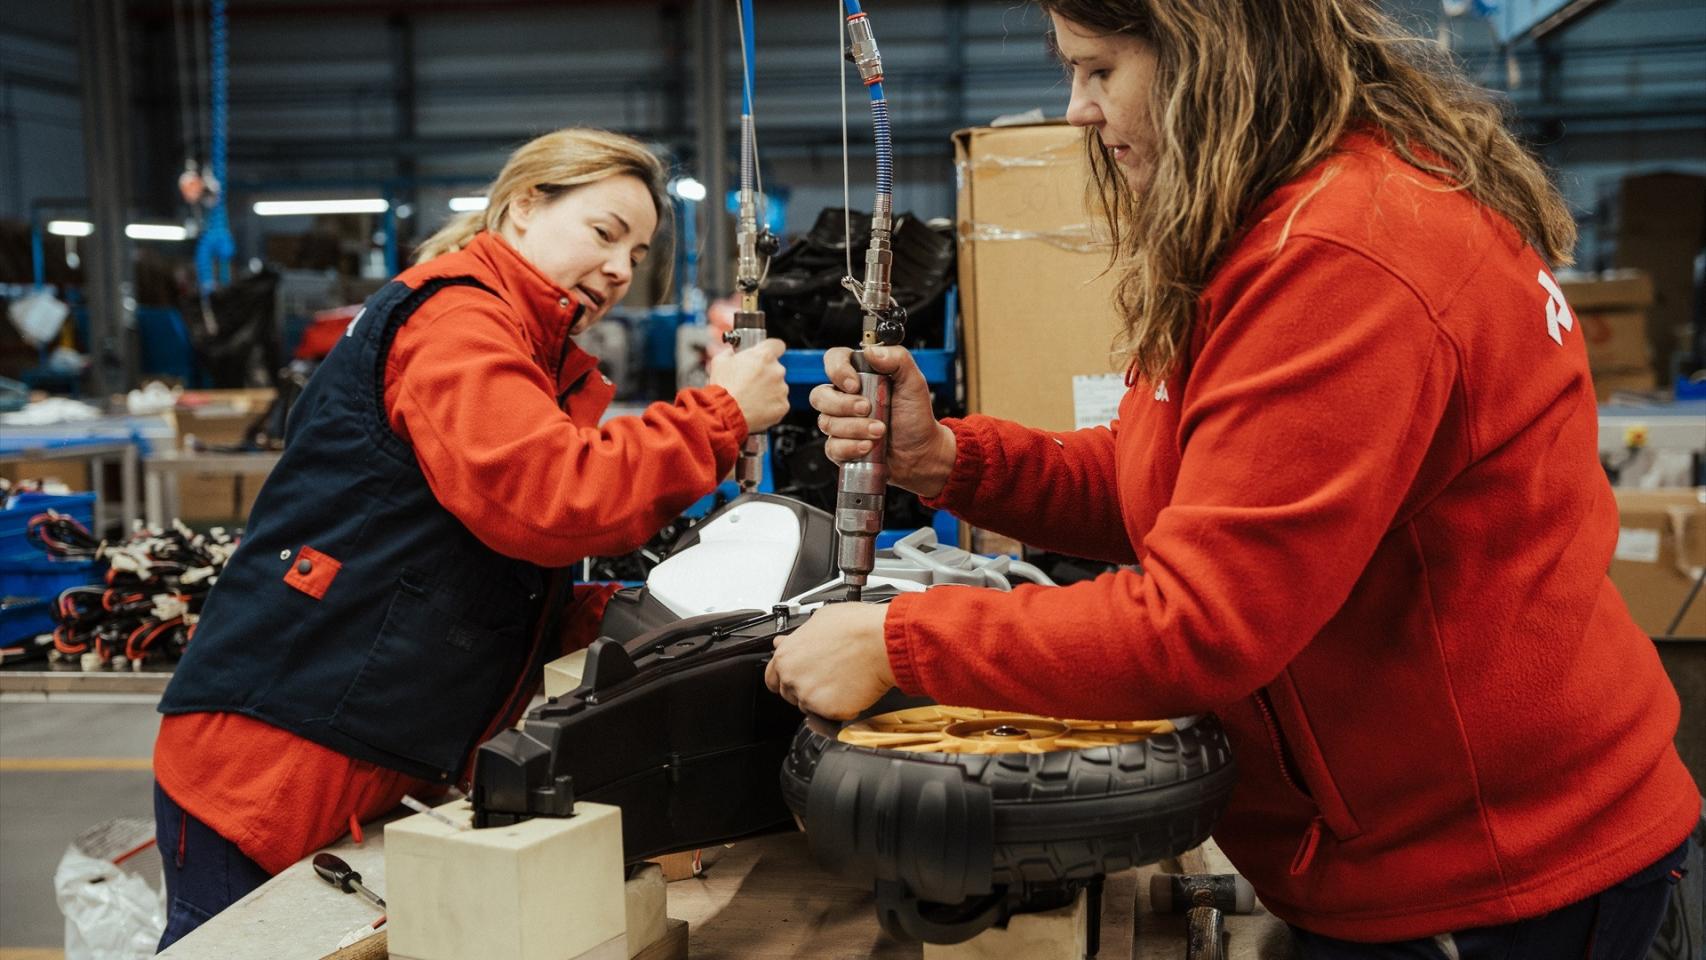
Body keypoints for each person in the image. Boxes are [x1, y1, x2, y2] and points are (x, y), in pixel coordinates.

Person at [766, 2, 1700, 956]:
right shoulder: (1268, 230)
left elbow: (1205, 624)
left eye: (1098, 71)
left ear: (1211, 58)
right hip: (1404, 850)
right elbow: (1177, 492)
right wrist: (953, 461)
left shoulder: (1344, 258)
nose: (1077, 110)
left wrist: (899, 642)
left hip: (1502, 883)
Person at [152, 127, 789, 949]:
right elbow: (550, 499)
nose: (621, 270)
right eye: (604, 233)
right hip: (272, 764)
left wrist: (627, 617)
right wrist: (721, 416)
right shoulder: (458, 319)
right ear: (524, 205)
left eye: (637, 252)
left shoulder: (524, 346)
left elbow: (476, 550)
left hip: (358, 757)